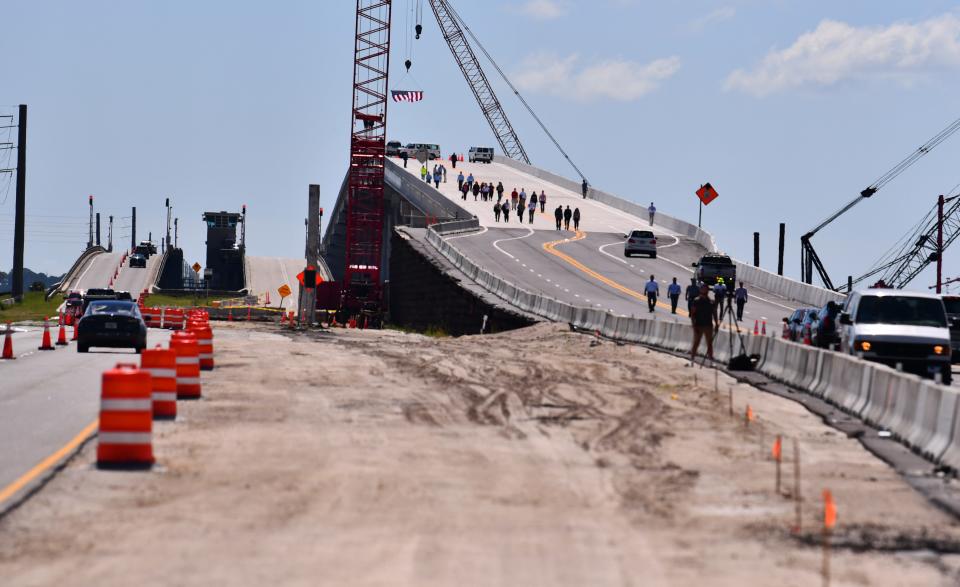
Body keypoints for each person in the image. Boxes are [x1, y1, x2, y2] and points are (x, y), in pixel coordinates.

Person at [690, 284, 719, 362]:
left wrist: (716, 324)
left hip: (708, 325)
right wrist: (693, 325)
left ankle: (711, 359)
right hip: (698, 325)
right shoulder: (696, 301)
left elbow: (715, 314)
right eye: (703, 288)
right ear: (700, 290)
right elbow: (692, 314)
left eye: (705, 289)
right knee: (696, 342)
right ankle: (692, 358)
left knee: (709, 343)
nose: (704, 290)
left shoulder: (711, 302)